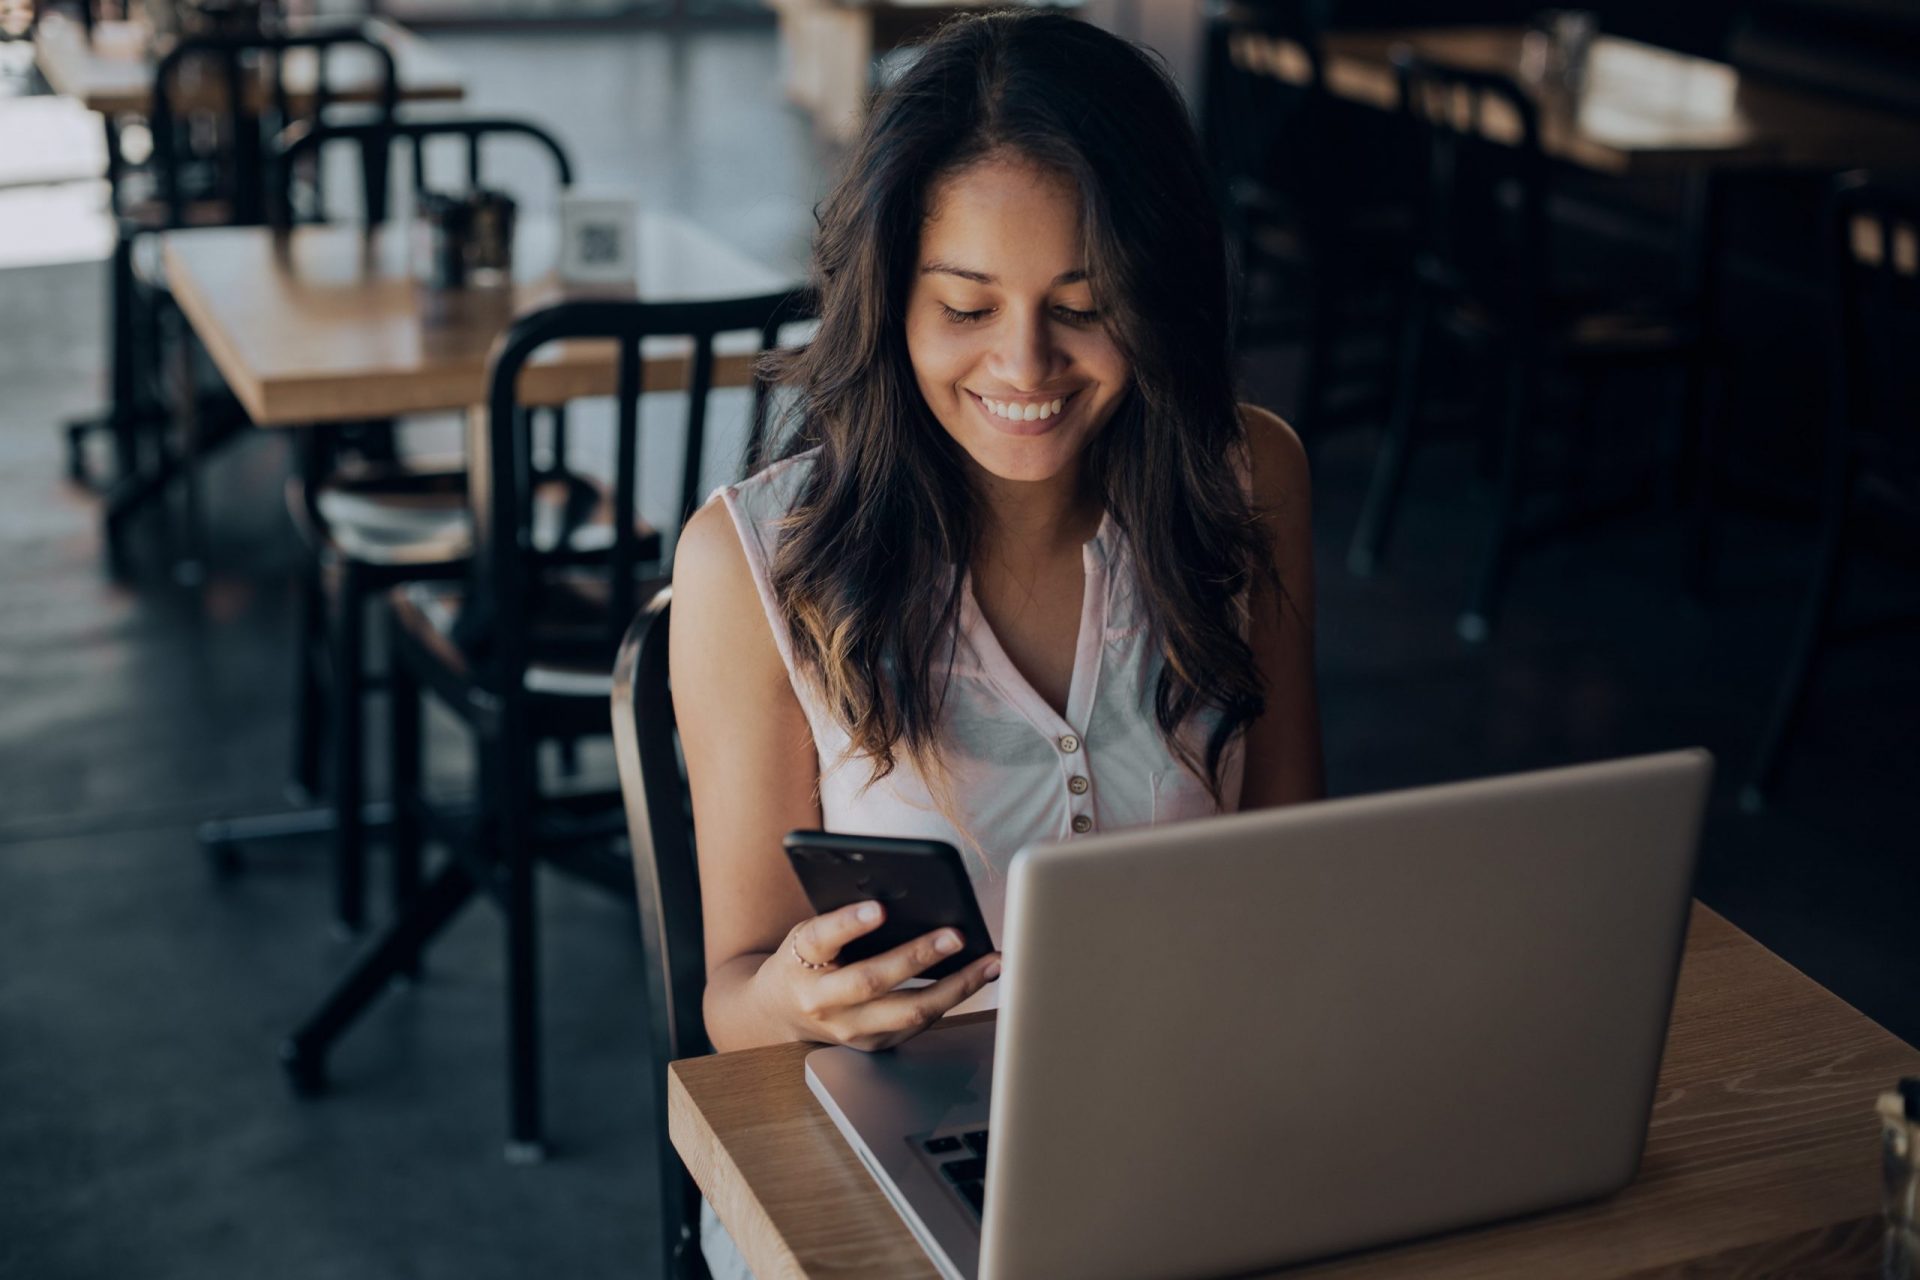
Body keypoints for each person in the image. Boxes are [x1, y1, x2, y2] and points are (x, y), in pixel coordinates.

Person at [672, 10, 1322, 1062]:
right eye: (967, 309)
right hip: (904, 1128)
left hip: (1194, 1094)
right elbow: (733, 1003)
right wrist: (796, 1000)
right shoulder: (751, 565)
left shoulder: (1250, 479)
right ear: (891, 303)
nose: (1026, 366)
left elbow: (1299, 871)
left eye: (1086, 305)